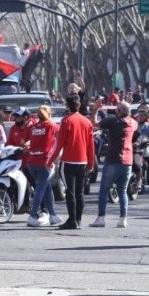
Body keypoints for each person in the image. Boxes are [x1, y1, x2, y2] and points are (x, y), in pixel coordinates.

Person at [48, 95, 94, 229]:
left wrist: (50, 160)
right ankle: (78, 220)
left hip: (68, 161)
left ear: (67, 106)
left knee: (70, 192)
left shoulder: (66, 121)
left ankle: (72, 220)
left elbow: (59, 144)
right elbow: (91, 145)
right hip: (83, 161)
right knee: (79, 192)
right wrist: (90, 163)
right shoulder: (87, 122)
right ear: (79, 105)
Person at [89, 99, 137, 228]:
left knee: (104, 189)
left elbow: (93, 123)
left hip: (113, 160)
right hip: (128, 161)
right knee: (122, 190)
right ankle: (123, 218)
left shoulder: (113, 121)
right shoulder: (133, 123)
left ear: (119, 111)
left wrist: (96, 108)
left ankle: (101, 217)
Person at [26, 105, 62, 227]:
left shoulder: (33, 127)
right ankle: (32, 216)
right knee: (40, 190)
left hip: (32, 162)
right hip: (44, 162)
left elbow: (25, 140)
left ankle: (52, 215)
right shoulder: (52, 126)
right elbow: (62, 137)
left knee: (47, 188)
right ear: (49, 114)